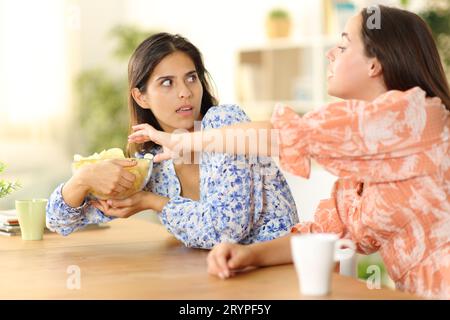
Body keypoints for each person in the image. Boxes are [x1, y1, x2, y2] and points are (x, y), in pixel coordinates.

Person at [128, 7, 450, 299]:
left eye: (343, 44)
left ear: (375, 63)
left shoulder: (413, 117)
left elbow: (280, 135)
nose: (330, 53)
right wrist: (249, 255)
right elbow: (323, 233)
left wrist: (187, 142)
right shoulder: (363, 169)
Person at [46, 33, 299, 248]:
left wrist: (152, 202)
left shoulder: (225, 123)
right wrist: (83, 179)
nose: (185, 92)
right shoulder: (151, 168)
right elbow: (59, 222)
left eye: (191, 78)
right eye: (167, 82)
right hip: (218, 281)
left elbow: (226, 231)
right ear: (141, 97)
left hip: (283, 276)